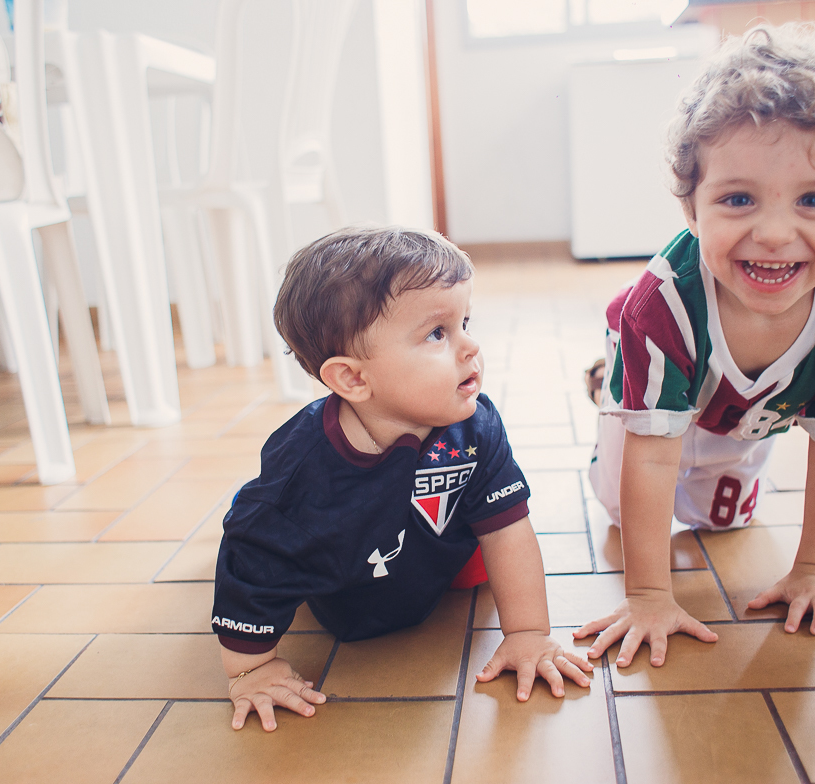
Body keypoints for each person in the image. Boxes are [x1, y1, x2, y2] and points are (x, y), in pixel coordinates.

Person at [575, 22, 815, 670]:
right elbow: (651, 463)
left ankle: (683, 404)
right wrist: (648, 595)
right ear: (692, 209)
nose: (775, 232)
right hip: (670, 372)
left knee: (721, 520)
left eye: (813, 199)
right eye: (737, 199)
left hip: (748, 412)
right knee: (623, 503)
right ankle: (620, 377)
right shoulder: (662, 306)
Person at [213, 226, 593, 731]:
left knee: (485, 553)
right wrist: (251, 669)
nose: (470, 345)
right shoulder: (299, 477)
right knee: (268, 533)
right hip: (339, 575)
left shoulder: (474, 425)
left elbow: (507, 527)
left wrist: (527, 631)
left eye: (465, 322)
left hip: (429, 542)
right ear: (352, 379)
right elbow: (251, 559)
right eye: (438, 333)